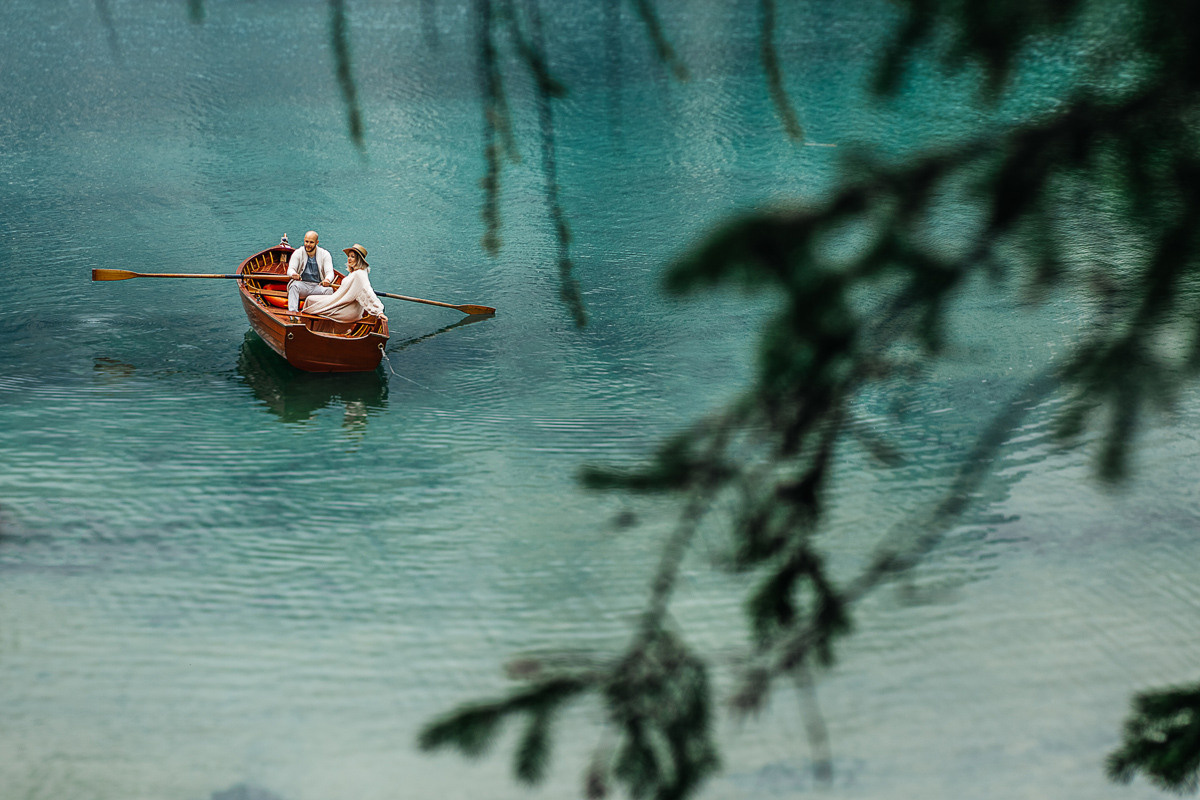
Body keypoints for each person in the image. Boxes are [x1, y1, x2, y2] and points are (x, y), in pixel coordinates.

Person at [302, 244, 387, 322]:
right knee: (311, 299)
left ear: (358, 260)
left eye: (352, 257)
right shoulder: (355, 272)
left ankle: (303, 324)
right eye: (349, 256)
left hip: (348, 310)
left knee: (310, 300)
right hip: (346, 305)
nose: (349, 258)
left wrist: (379, 312)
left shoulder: (359, 274)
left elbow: (368, 291)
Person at [286, 230, 335, 312]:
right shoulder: (298, 252)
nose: (308, 245)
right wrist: (293, 274)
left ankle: (323, 313)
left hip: (317, 286)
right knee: (293, 286)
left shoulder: (325, 254)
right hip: (302, 285)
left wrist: (327, 280)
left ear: (317, 242)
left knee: (329, 290)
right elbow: (290, 269)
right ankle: (293, 314)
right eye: (306, 241)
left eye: (311, 242)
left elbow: (330, 272)